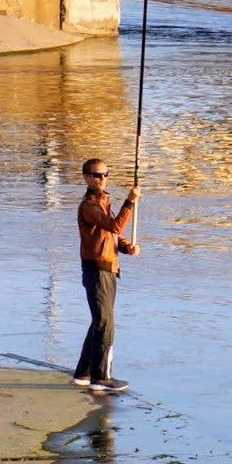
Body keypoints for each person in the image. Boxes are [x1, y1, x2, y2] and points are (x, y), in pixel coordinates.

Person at [73, 156, 139, 393]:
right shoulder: (89, 205)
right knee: (105, 324)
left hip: (109, 267)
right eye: (97, 175)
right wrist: (129, 203)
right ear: (87, 177)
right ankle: (101, 378)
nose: (102, 179)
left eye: (105, 175)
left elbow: (111, 234)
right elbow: (115, 226)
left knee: (99, 322)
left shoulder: (102, 203)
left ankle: (83, 373)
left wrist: (125, 247)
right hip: (96, 269)